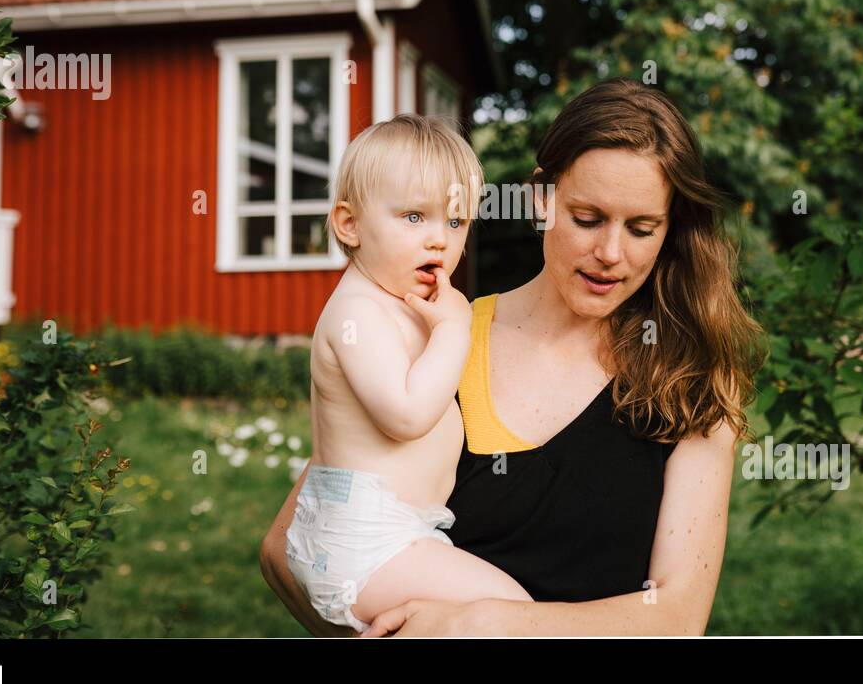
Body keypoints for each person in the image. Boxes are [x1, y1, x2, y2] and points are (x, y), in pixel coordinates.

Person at [260, 78, 764, 636]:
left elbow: (676, 618)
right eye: (587, 219)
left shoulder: (690, 374)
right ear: (540, 200)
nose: (610, 254)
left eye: (642, 229)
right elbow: (289, 545)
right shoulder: (440, 335)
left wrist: (483, 625)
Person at [281, 114, 532, 634]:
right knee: (512, 611)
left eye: (456, 222)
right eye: (414, 217)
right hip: (364, 540)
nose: (439, 240)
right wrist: (455, 329)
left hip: (393, 533)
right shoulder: (357, 312)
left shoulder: (401, 304)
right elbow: (406, 414)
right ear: (349, 224)